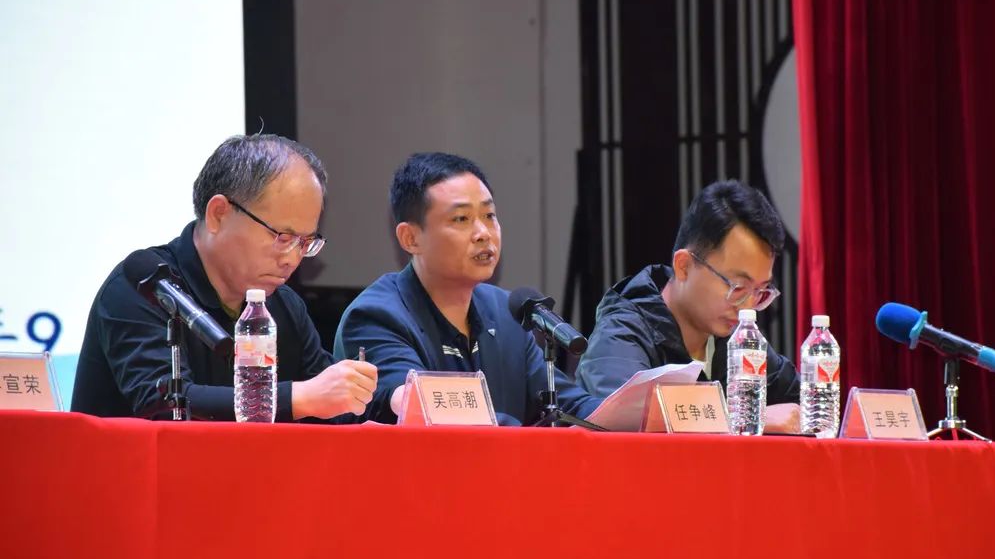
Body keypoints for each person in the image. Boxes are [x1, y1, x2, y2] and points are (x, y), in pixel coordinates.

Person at [72, 134, 376, 421]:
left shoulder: (284, 306)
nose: (292, 259)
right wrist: (299, 398)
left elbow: (333, 404)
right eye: (283, 237)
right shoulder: (144, 288)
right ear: (218, 214)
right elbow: (164, 406)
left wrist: (383, 400)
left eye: (305, 243)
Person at [333, 152, 600, 425]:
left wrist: (622, 412)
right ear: (410, 238)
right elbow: (420, 407)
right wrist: (527, 439)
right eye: (461, 219)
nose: (483, 233)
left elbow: (572, 406)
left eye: (489, 215)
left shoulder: (506, 313)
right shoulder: (376, 317)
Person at [576, 180, 801, 432]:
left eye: (760, 291)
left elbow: (806, 402)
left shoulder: (736, 338)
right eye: (737, 287)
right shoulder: (621, 336)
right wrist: (750, 419)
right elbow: (628, 422)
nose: (747, 306)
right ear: (684, 266)